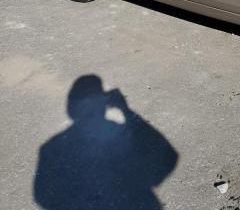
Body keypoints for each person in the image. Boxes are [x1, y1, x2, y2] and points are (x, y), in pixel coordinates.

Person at [33, 75, 178, 209]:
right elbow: (168, 156)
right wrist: (126, 110)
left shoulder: (50, 148)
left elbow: (42, 195)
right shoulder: (120, 134)